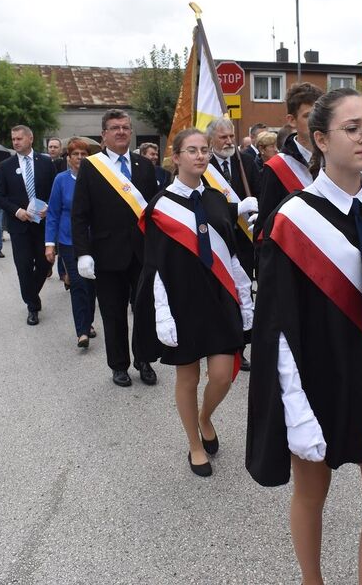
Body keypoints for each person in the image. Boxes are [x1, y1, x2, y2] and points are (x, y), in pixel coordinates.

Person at [246, 88, 362, 584]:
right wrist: (296, 409)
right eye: (353, 128)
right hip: (317, 371)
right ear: (321, 139)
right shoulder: (291, 218)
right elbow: (277, 324)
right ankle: (312, 580)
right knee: (312, 494)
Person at [136, 128, 253, 477]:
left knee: (221, 375)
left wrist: (245, 299)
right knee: (187, 378)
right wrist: (162, 314)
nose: (200, 156)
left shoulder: (217, 199)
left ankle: (205, 416)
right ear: (176, 157)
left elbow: (231, 255)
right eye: (192, 150)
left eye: (204, 149)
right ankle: (194, 444)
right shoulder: (160, 206)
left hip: (218, 298)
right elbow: (154, 265)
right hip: (181, 301)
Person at [73, 109, 159, 387]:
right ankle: (119, 365)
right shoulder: (91, 166)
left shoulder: (144, 165)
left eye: (125, 127)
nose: (121, 131)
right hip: (107, 254)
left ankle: (144, 360)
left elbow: (154, 211)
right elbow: (80, 214)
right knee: (113, 313)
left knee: (146, 310)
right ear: (104, 134)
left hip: (142, 252)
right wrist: (83, 253)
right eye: (115, 128)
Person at [205, 118, 260, 370]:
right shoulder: (205, 167)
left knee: (244, 294)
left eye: (231, 136)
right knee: (221, 295)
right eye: (223, 137)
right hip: (217, 240)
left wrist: (258, 211)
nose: (229, 141)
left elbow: (259, 192)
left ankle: (242, 347)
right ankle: (220, 344)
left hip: (245, 240)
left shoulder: (245, 161)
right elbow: (206, 205)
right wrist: (236, 207)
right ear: (211, 140)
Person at [0, 125, 56, 326]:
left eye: (19, 138)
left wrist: (49, 207)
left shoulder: (46, 163)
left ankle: (31, 294)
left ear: (31, 138)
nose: (16, 142)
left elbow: (54, 192)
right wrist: (17, 211)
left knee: (45, 263)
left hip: (42, 224)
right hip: (19, 226)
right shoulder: (6, 166)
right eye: (13, 139)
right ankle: (32, 306)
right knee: (23, 267)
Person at [255, 82, 324, 241]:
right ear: (292, 120)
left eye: (318, 115)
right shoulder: (276, 167)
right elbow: (265, 229)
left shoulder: (334, 161)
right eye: (308, 116)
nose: (315, 122)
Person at [45, 139, 97, 348]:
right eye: (75, 154)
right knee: (77, 283)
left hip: (93, 239)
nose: (79, 158)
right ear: (68, 158)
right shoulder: (60, 180)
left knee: (91, 284)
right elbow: (53, 213)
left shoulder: (95, 178)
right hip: (68, 240)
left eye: (83, 154)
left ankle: (89, 321)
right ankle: (82, 331)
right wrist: (50, 243)